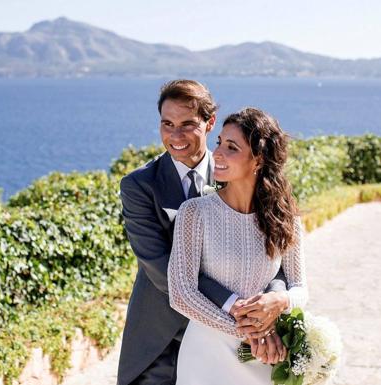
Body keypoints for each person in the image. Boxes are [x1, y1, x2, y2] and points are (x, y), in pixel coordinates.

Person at [117, 80, 290, 385]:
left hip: (232, 339)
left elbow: (272, 252)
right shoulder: (139, 186)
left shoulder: (238, 172)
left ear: (210, 124)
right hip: (163, 339)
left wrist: (272, 303)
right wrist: (236, 311)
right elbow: (162, 269)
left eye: (187, 124)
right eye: (167, 124)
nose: (175, 135)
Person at [168, 107, 308, 384]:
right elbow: (181, 293)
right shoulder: (194, 212)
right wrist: (252, 332)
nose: (217, 153)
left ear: (258, 159)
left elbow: (300, 288)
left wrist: (282, 301)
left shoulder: (285, 218)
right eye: (219, 142)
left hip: (263, 357)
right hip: (208, 355)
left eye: (231, 147)